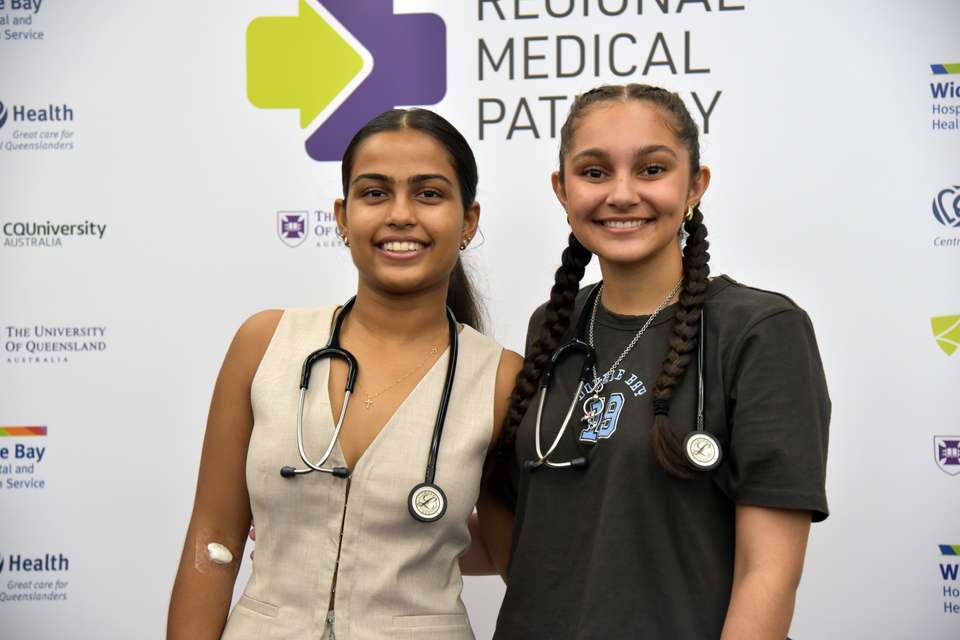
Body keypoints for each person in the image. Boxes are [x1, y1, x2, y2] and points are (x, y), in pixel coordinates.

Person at [480, 84, 830, 639]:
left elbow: (768, 575)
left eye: (651, 169)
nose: (621, 194)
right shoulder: (553, 325)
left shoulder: (760, 331)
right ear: (561, 190)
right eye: (594, 172)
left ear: (695, 185)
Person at [167, 108, 522, 640]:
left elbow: (514, 555)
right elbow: (214, 537)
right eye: (375, 193)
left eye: (428, 193)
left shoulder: (501, 379)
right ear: (341, 215)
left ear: (468, 220)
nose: (400, 214)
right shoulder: (264, 345)